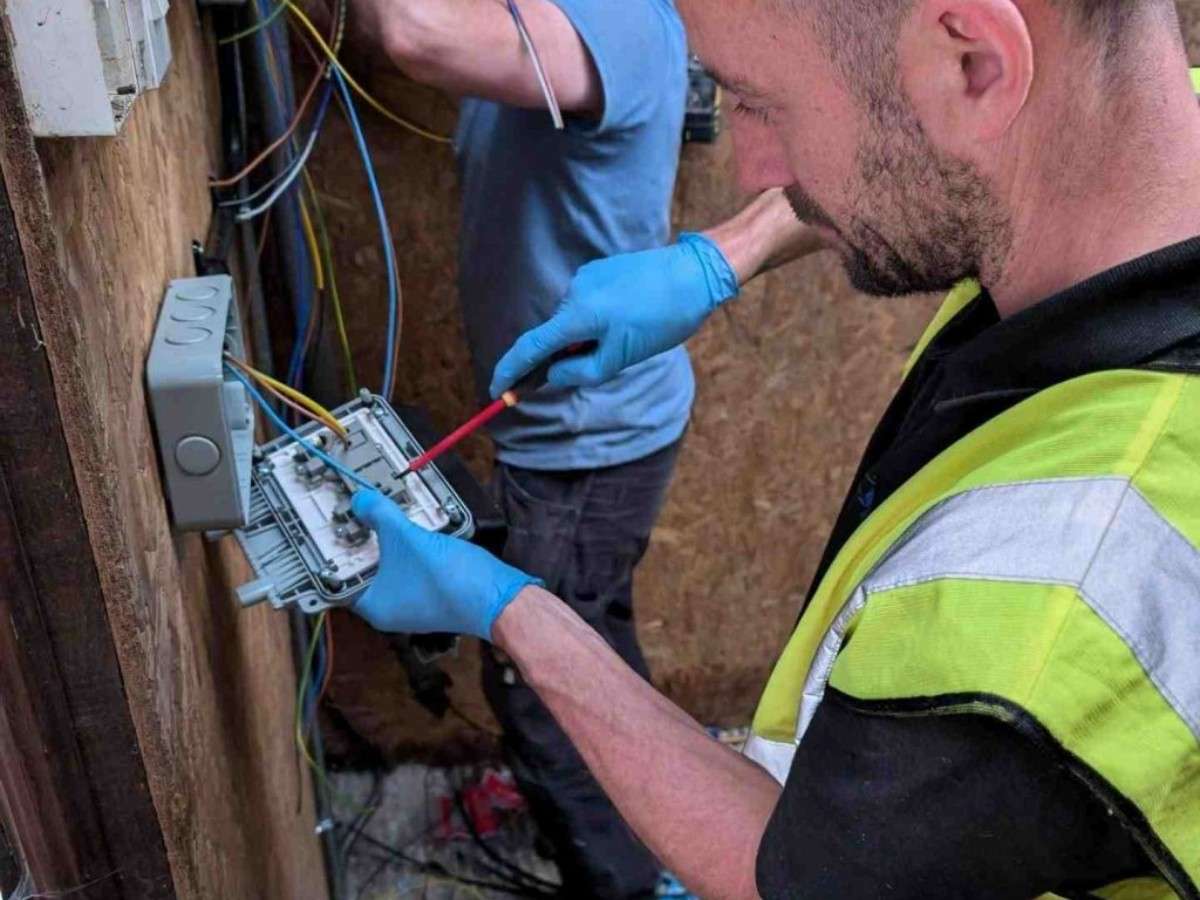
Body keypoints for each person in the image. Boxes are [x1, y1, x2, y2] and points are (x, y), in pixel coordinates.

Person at [349, 0, 1200, 896]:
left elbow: (780, 877)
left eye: (759, 101)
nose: (749, 162)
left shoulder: (1058, 607)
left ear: (972, 65)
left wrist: (516, 611)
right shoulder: (1147, 131)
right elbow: (913, 137)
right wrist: (723, 256)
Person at [323, 0, 712, 895]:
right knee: (592, 640)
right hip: (572, 431)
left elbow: (418, 36)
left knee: (544, 691)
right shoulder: (546, 23)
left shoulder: (618, 20)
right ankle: (657, 838)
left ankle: (626, 883)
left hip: (590, 440)